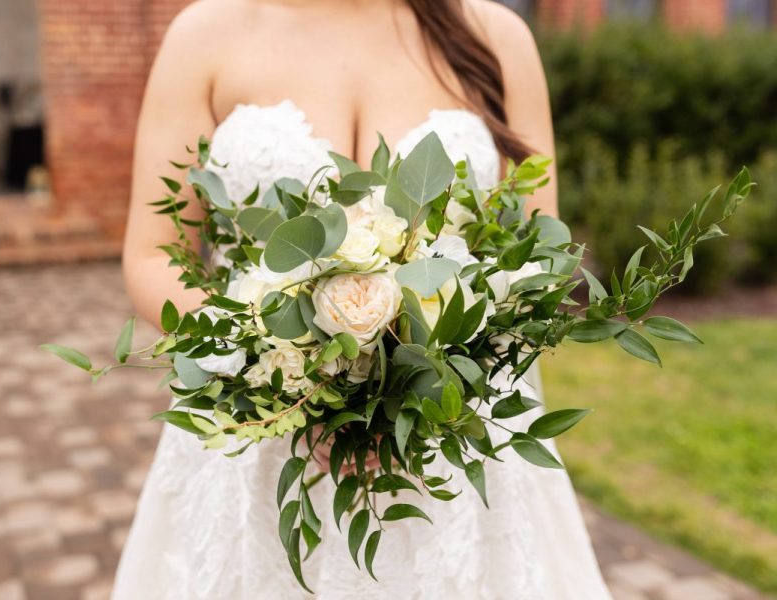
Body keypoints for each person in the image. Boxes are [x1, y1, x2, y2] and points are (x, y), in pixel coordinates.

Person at [117, 0, 613, 597]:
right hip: (257, 429)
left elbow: (542, 253)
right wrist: (281, 374)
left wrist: (430, 379)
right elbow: (152, 254)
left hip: (452, 437)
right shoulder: (206, 34)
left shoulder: (495, 35)